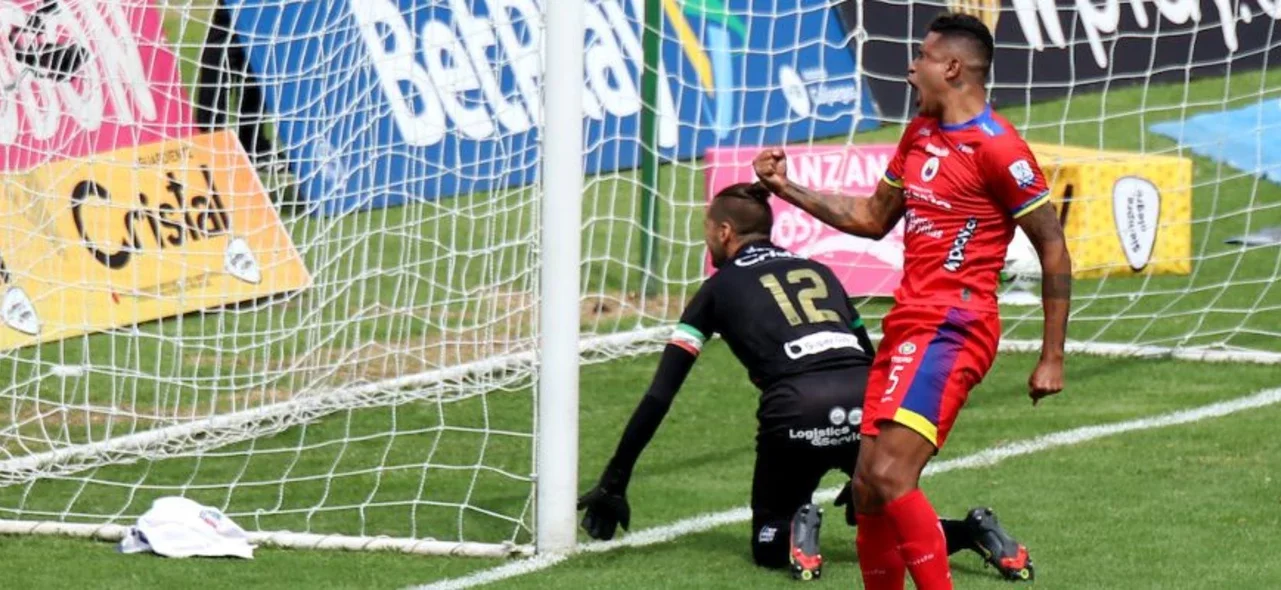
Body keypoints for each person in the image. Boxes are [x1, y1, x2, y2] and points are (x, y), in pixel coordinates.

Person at [753, 12, 1071, 590]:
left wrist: (1052, 356)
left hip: (955, 324)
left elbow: (1052, 244)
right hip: (908, 323)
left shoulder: (999, 148)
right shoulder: (919, 133)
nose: (910, 68)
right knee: (867, 489)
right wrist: (786, 189)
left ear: (951, 68)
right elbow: (872, 217)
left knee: (892, 475)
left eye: (921, 57)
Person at [577, 182, 1035, 582]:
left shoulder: (715, 289)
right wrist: (868, 448)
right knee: (886, 515)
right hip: (863, 397)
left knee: (766, 543)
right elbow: (871, 357)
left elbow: (661, 393)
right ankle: (971, 530)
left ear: (724, 232)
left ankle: (796, 529)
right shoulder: (819, 271)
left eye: (707, 231)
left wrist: (615, 480)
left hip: (796, 408)